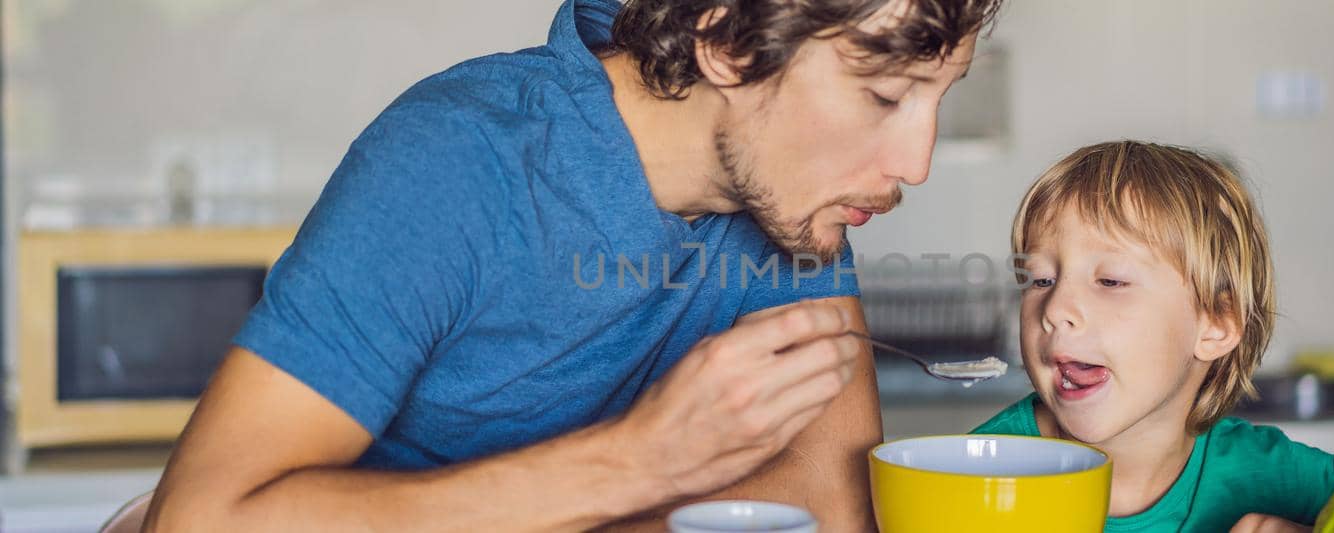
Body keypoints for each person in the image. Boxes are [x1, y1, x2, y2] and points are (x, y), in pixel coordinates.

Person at [145, 0, 1002, 530]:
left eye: (939, 97)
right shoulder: (459, 162)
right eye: (885, 97)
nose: (916, 162)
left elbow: (830, 503)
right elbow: (199, 518)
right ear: (731, 47)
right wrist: (637, 463)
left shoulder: (796, 204)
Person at [974, 141, 1334, 532]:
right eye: (1040, 279)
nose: (1056, 309)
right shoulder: (983, 467)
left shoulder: (1260, 470)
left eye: (1111, 280)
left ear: (1215, 325)